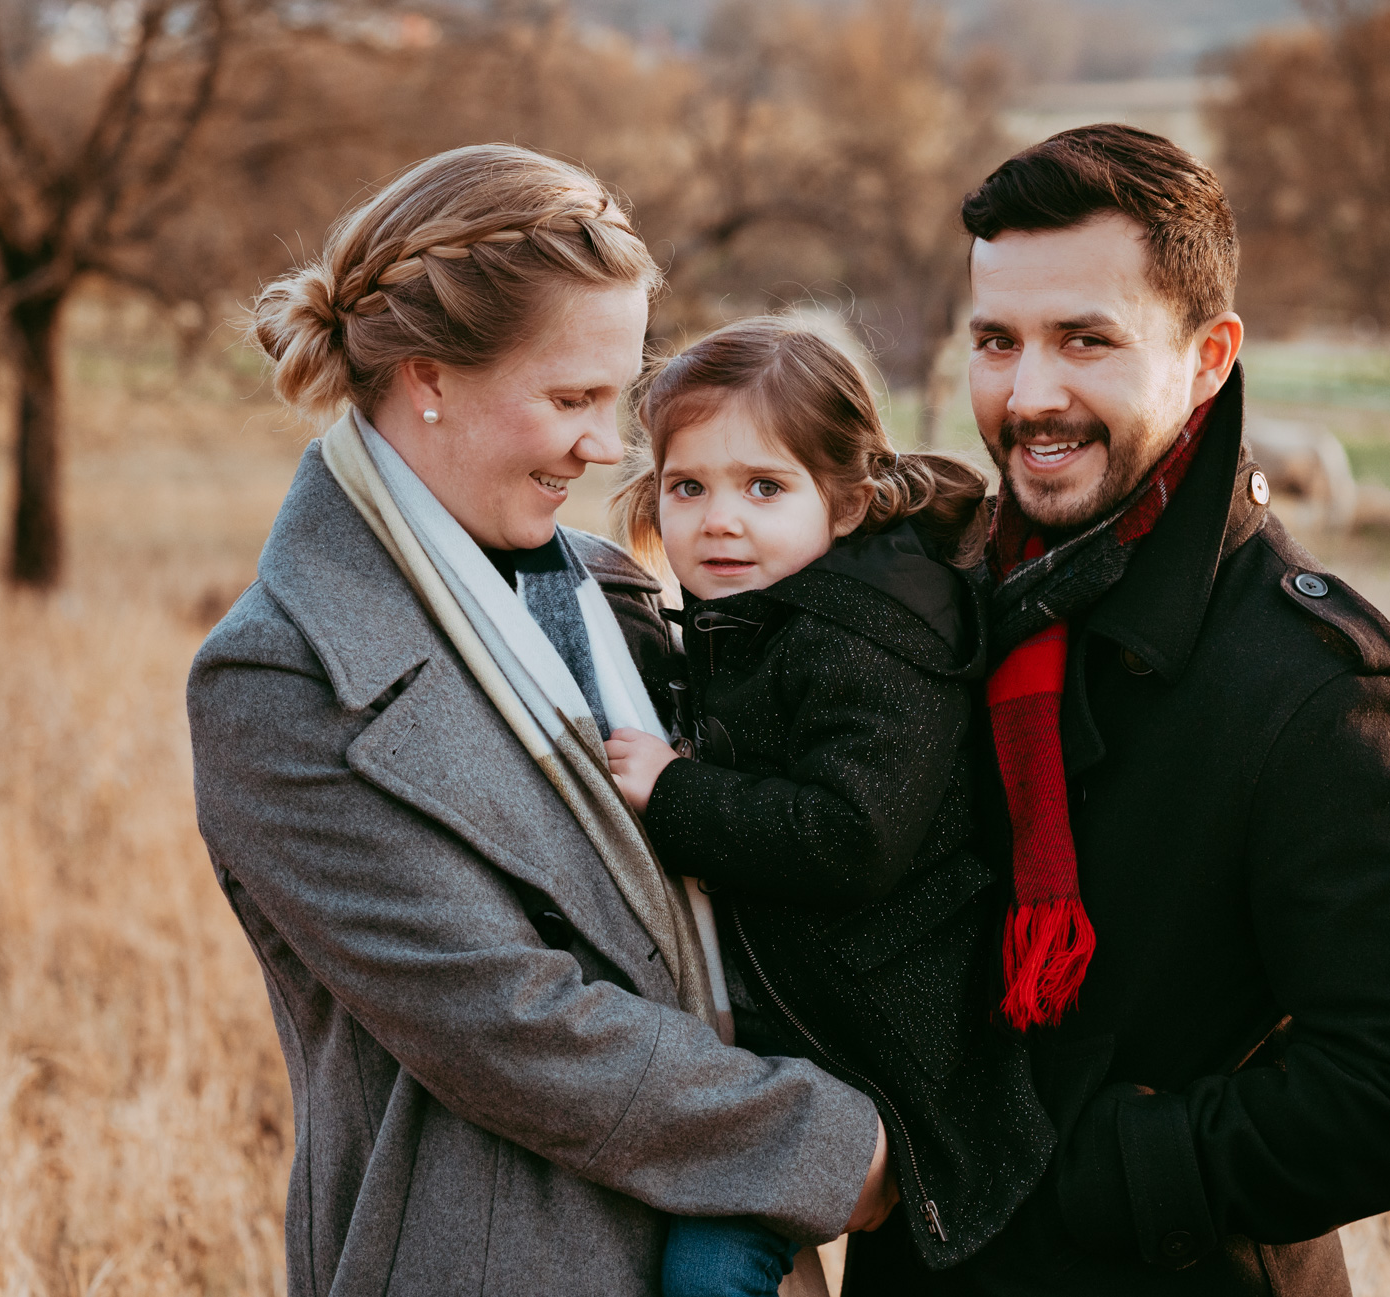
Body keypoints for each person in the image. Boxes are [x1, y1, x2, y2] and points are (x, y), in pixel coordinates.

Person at [186, 145, 896, 1297]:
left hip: (718, 1240)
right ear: (428, 376)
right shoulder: (280, 676)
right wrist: (831, 1144)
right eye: (571, 399)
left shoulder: (604, 586)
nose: (610, 445)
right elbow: (508, 1026)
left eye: (617, 399)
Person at [843, 124, 1390, 1296]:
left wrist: (1093, 1173)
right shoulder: (931, 599)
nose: (1030, 394)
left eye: (1085, 341)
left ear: (1209, 356)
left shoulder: (1320, 691)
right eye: (998, 342)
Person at [603, 317, 1057, 1297]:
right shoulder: (760, 615)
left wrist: (677, 792)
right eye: (689, 487)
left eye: (763, 487)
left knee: (710, 1267)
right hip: (804, 1030)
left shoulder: (867, 639)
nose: (720, 519)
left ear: (846, 502)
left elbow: (852, 833)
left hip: (886, 1044)